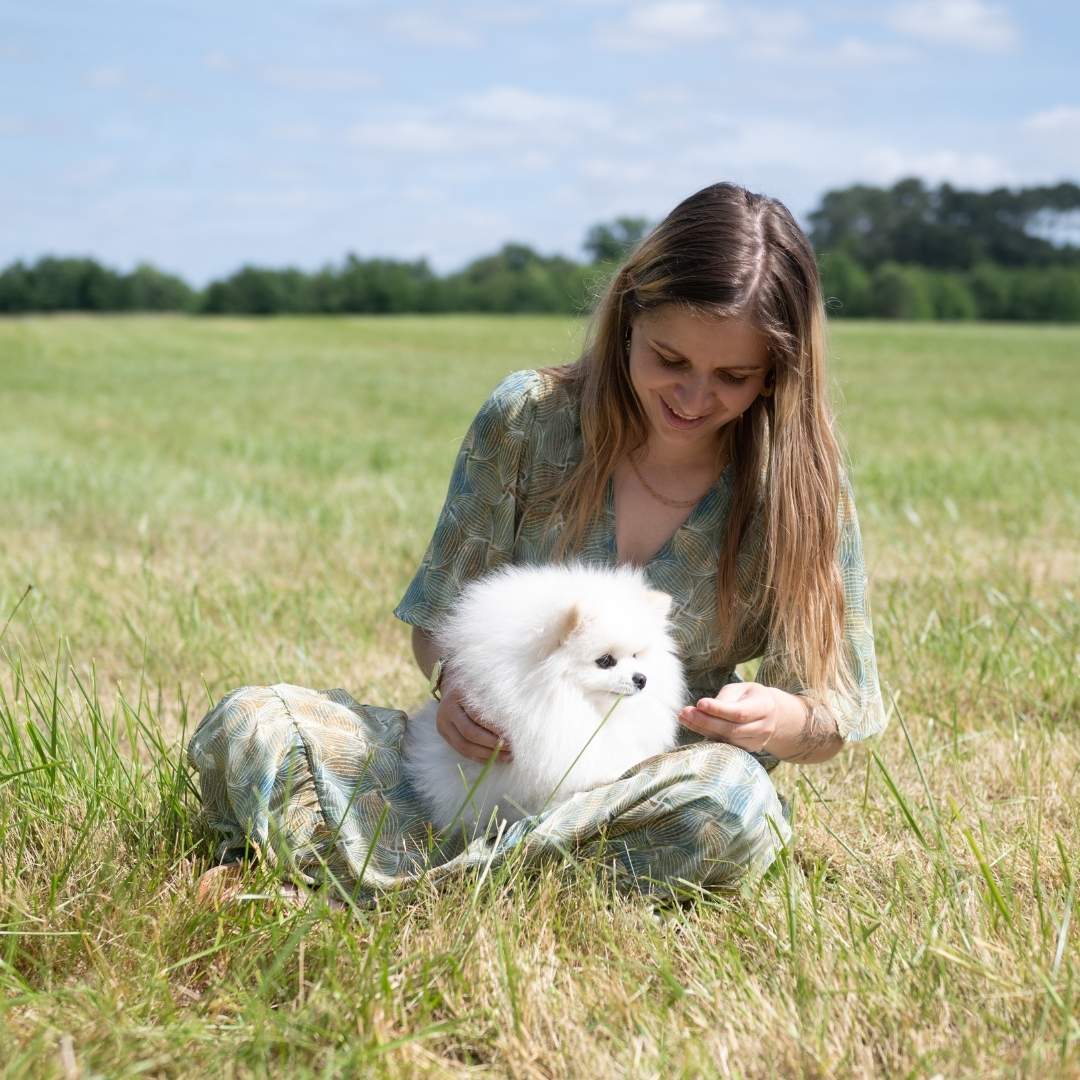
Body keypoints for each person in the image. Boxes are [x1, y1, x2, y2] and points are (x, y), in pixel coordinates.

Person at [189, 181, 886, 905]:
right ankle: (497, 880)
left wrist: (779, 723)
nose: (691, 396)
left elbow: (830, 714)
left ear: (775, 374)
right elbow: (439, 622)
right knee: (253, 726)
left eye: (732, 377)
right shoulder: (528, 418)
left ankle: (386, 883)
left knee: (730, 803)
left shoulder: (798, 487)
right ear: (628, 319)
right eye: (669, 359)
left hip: (646, 797)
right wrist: (456, 688)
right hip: (478, 774)